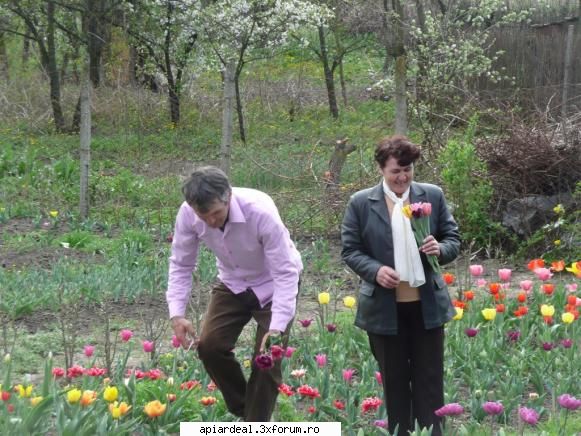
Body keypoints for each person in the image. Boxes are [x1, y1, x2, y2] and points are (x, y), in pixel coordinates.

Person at [341, 135, 460, 435]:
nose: (403, 177)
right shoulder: (361, 203)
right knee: (394, 382)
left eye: (408, 170)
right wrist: (375, 270)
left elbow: (453, 240)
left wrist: (440, 249)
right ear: (381, 169)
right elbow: (350, 250)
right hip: (384, 309)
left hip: (426, 307)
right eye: (396, 171)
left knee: (429, 380)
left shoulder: (431, 195)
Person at [167, 165, 302, 422]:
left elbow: (285, 272)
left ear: (228, 195)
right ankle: (249, 414)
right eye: (203, 216)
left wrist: (277, 327)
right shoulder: (187, 214)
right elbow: (181, 263)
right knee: (210, 346)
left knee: (266, 360)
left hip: (273, 283)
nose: (211, 222)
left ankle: (256, 423)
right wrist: (177, 314)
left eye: (216, 213)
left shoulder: (260, 212)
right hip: (232, 282)